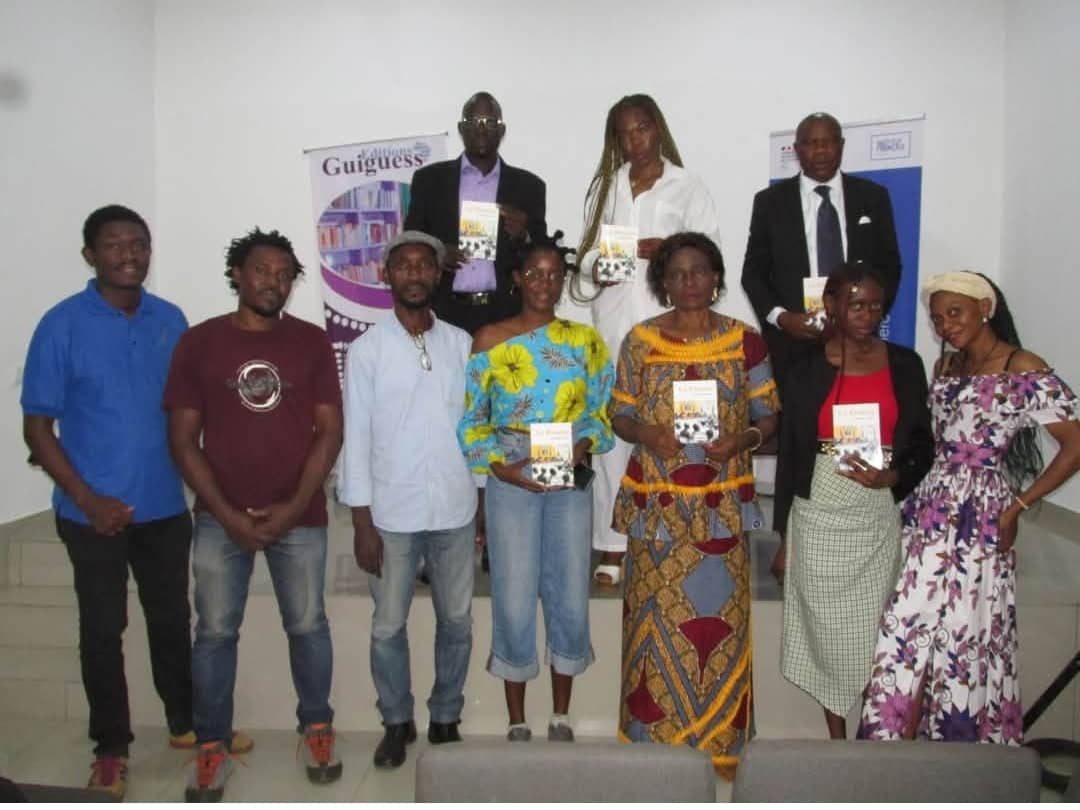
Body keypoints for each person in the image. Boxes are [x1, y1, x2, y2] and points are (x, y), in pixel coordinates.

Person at [20, 205, 220, 799]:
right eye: (114, 244)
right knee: (104, 630)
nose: (129, 254)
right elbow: (37, 429)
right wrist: (88, 499)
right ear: (90, 255)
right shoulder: (61, 324)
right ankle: (110, 748)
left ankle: (186, 724)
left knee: (172, 620)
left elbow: (189, 414)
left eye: (138, 243)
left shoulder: (170, 319)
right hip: (91, 515)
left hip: (164, 507)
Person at [859, 271, 1080, 744]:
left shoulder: (1021, 365)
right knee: (905, 627)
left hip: (980, 515)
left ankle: (957, 754)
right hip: (928, 508)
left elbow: (1075, 444)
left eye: (954, 313)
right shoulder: (946, 366)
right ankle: (891, 749)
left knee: (964, 634)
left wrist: (1016, 508)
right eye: (937, 318)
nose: (945, 325)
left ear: (986, 308)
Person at [164, 228, 344, 801]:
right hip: (220, 518)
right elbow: (183, 440)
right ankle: (211, 745)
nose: (274, 282)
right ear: (237, 275)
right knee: (215, 633)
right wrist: (225, 513)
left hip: (301, 516)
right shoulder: (200, 342)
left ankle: (317, 728)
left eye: (284, 274)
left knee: (308, 626)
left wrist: (292, 509)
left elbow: (329, 431)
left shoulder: (312, 342)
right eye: (262, 271)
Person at [609, 232, 779, 777]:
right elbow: (619, 414)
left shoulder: (746, 342)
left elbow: (768, 416)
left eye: (699, 271)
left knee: (718, 627)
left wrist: (742, 441)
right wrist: (647, 433)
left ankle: (720, 747)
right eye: (677, 273)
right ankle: (652, 748)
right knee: (653, 628)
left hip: (720, 511)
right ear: (662, 282)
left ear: (716, 278)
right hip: (657, 511)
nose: (689, 282)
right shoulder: (640, 341)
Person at [457, 239, 614, 743]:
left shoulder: (585, 340)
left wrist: (582, 446)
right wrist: (503, 471)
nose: (545, 283)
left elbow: (602, 412)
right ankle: (517, 719)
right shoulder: (488, 340)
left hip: (568, 473)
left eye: (553, 274)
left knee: (569, 590)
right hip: (512, 472)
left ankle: (561, 714)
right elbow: (472, 423)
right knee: (513, 593)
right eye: (535, 273)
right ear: (517, 278)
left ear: (563, 280)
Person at [771, 263, 933, 739]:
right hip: (818, 512)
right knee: (827, 632)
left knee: (873, 631)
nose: (867, 314)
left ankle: (874, 731)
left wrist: (894, 476)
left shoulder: (905, 364)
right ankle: (838, 742)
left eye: (876, 305)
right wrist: (784, 538)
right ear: (832, 306)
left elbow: (922, 443)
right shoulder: (804, 366)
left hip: (876, 511)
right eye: (856, 304)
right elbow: (792, 454)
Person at [339, 231, 479, 769]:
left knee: (457, 623)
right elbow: (356, 435)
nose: (415, 273)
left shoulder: (461, 344)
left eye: (425, 265)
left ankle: (446, 717)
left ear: (439, 275)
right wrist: (361, 521)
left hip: (455, 509)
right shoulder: (367, 350)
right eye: (404, 265)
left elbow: (476, 427)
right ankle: (396, 721)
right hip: (390, 515)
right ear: (387, 275)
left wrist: (482, 500)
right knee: (387, 627)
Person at [574, 93, 723, 588]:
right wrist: (602, 264)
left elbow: (711, 256)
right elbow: (587, 260)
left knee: (674, 436)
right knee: (613, 441)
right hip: (615, 330)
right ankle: (612, 544)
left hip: (672, 334)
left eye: (641, 128)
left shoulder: (687, 185)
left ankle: (678, 537)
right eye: (624, 133)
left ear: (657, 128)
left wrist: (670, 251)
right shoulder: (608, 186)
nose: (634, 140)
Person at [740, 112, 901, 397]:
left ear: (842, 145)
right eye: (811, 143)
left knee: (855, 415)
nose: (821, 150)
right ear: (797, 149)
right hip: (793, 342)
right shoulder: (770, 203)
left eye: (829, 142)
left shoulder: (873, 197)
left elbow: (890, 267)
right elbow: (753, 274)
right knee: (798, 420)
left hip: (859, 343)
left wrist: (865, 316)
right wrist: (782, 318)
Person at [404, 90, 547, 337]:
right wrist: (436, 251)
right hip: (444, 313)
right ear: (461, 128)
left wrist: (525, 235)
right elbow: (410, 239)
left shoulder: (529, 186)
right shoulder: (430, 180)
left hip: (506, 312)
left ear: (501, 130)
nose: (481, 129)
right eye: (473, 121)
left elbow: (544, 255)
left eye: (489, 122)